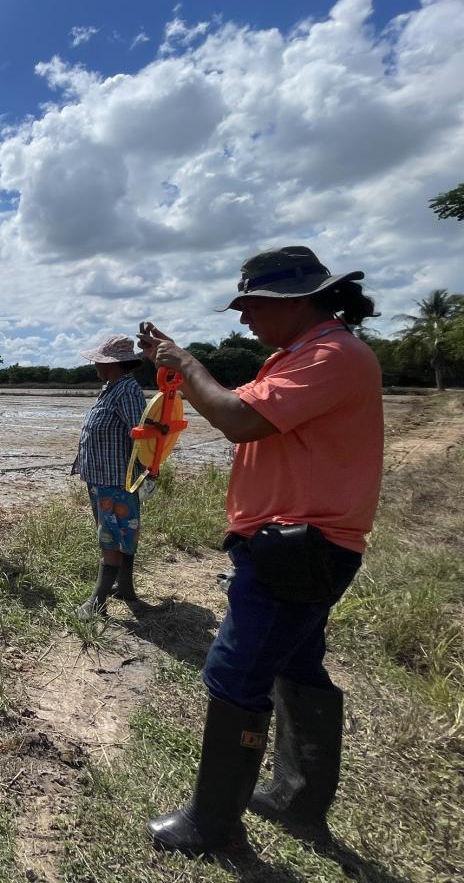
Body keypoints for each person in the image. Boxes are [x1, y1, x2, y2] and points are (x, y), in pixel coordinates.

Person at [137, 245, 382, 856]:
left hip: (298, 547)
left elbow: (235, 417)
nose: (244, 319)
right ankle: (297, 799)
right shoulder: (296, 356)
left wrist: (187, 359)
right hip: (294, 545)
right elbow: (234, 405)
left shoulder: (330, 356)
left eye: (251, 306)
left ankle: (213, 825)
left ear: (294, 301)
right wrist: (178, 363)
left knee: (234, 673)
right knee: (296, 665)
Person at [71, 334, 148, 619]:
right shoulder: (111, 387)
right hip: (103, 478)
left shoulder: (127, 391)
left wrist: (144, 473)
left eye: (100, 361)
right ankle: (125, 587)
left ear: (114, 364)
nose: (95, 366)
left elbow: (141, 435)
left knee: (111, 537)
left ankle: (98, 601)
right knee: (118, 534)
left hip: (116, 480)